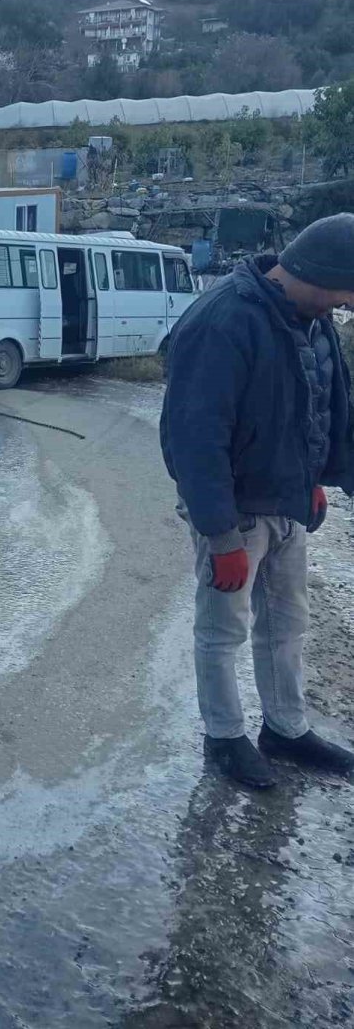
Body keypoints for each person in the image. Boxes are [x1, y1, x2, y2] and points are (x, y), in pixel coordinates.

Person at [161, 215, 354, 787]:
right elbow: (194, 436)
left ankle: (285, 730)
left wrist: (316, 477)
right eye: (347, 288)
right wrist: (219, 533)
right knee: (223, 629)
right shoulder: (224, 321)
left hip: (287, 502)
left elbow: (323, 406)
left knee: (288, 623)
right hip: (236, 510)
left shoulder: (312, 321)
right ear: (318, 271)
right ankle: (224, 738)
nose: (348, 302)